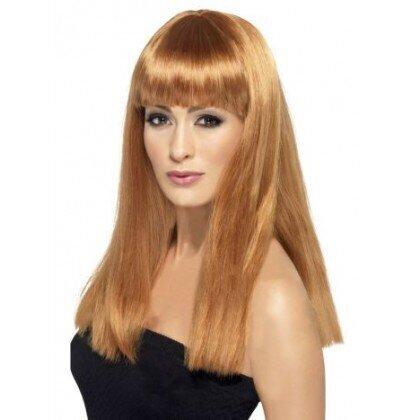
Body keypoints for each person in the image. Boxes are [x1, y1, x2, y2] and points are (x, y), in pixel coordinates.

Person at [70, 8, 343, 419]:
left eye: (208, 119)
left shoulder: (272, 299)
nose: (179, 148)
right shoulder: (145, 252)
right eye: (160, 118)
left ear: (253, 131)